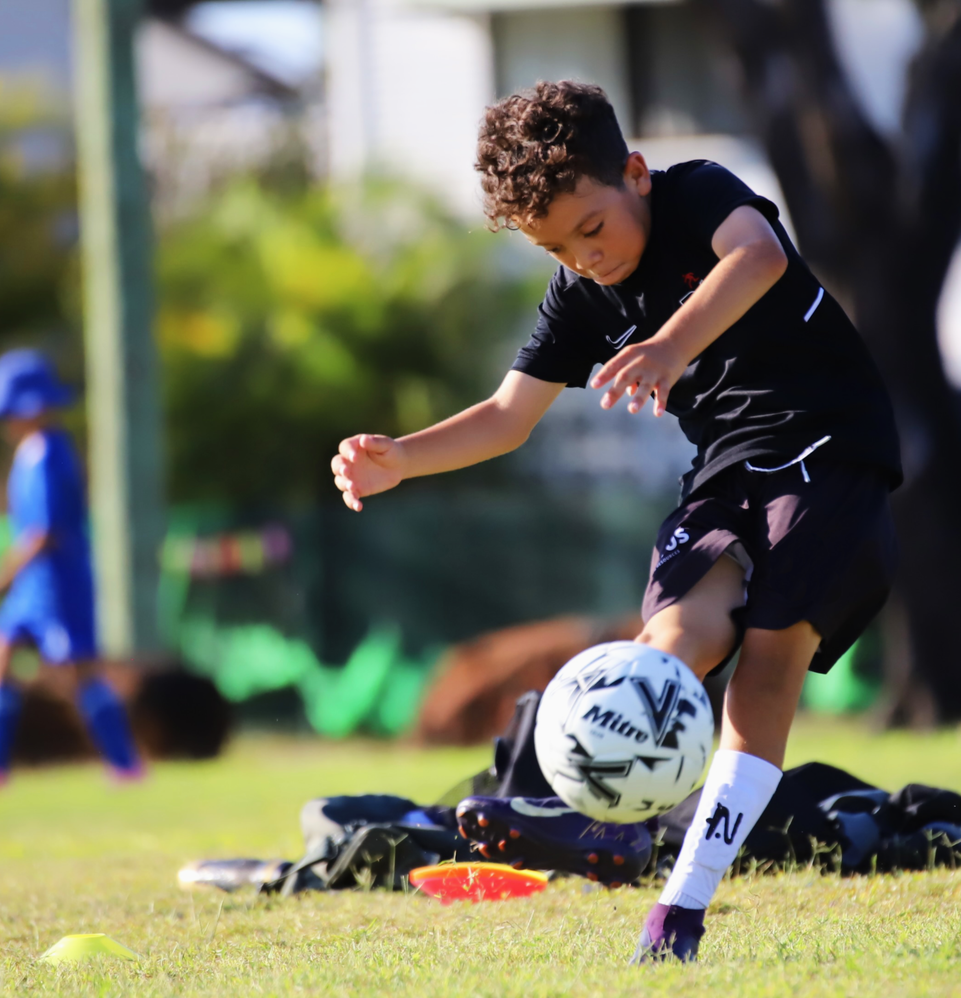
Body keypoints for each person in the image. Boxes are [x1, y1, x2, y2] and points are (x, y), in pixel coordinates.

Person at [329, 81, 901, 961]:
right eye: (553, 245)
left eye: (591, 228)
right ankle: (604, 822)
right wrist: (402, 456)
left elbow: (758, 258)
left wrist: (672, 344)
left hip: (830, 445)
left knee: (769, 658)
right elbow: (507, 416)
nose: (582, 257)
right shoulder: (578, 293)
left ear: (633, 173)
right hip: (727, 465)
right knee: (674, 630)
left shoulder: (698, 192)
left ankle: (682, 905)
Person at [0, 349, 143, 785]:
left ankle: (126, 765)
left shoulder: (48, 454)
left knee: (79, 673)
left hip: (57, 583)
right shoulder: (29, 453)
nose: (4, 422)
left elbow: (44, 533)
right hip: (32, 586)